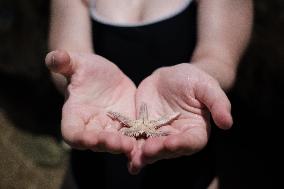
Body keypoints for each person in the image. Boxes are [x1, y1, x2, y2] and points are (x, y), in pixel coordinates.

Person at [45, 0, 253, 188]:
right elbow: (66, 66)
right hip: (95, 158)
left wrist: (200, 78)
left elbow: (220, 59)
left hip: (185, 168)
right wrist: (75, 77)